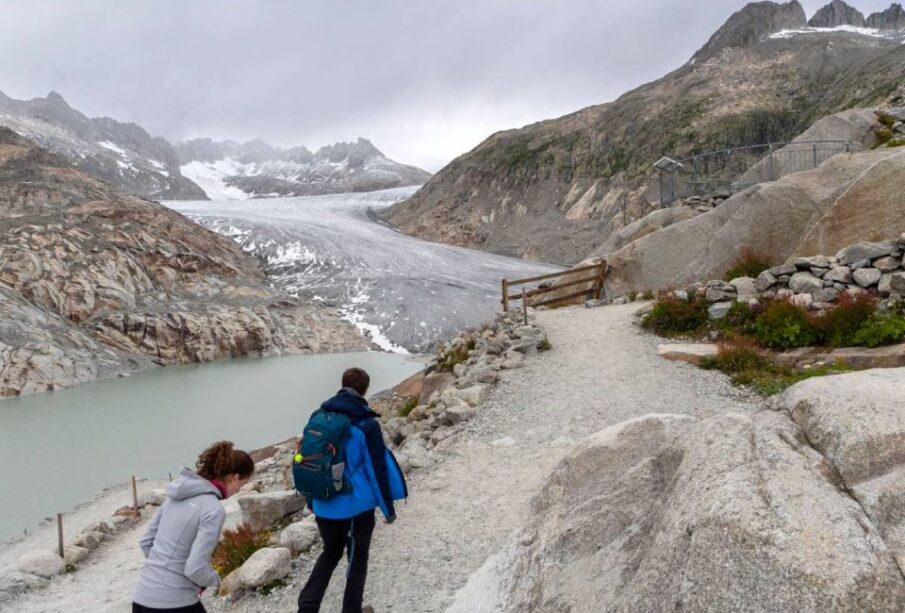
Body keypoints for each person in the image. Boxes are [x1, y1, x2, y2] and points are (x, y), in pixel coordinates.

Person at [297, 367, 407, 613]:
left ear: (342, 384)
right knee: (357, 558)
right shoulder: (366, 424)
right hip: (356, 508)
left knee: (330, 552)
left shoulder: (319, 415)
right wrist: (388, 509)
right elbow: (376, 469)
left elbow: (310, 463)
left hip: (323, 502)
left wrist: (311, 500)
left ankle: (307, 607)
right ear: (364, 390)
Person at [132, 441, 255, 613]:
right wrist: (219, 580)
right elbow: (194, 569)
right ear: (234, 477)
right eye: (241, 484)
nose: (238, 490)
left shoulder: (174, 496)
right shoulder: (213, 509)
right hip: (175, 603)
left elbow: (146, 542)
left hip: (141, 599)